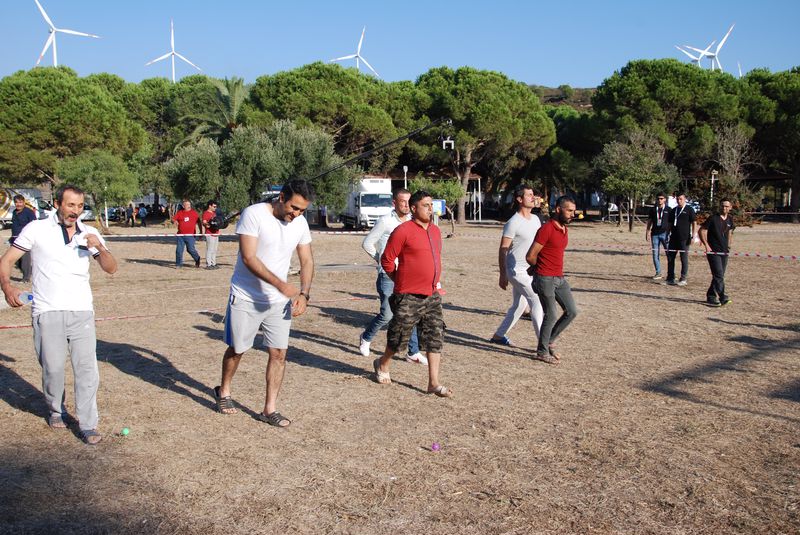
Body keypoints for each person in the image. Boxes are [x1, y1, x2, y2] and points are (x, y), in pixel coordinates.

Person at [0, 185, 117, 445]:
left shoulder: (89, 233)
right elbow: (6, 261)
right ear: (57, 203)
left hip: (81, 311)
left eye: (80, 206)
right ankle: (56, 408)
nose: (75, 211)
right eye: (70, 205)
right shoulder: (37, 229)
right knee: (52, 369)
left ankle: (88, 423)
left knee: (87, 369)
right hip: (47, 310)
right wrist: (8, 287)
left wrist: (100, 247)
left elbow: (111, 268)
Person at [214, 179, 315, 428]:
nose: (297, 214)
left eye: (302, 210)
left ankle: (269, 409)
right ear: (281, 198)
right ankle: (224, 391)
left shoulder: (300, 223)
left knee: (279, 354)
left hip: (278, 303)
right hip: (246, 296)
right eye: (294, 207)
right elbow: (249, 258)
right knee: (238, 349)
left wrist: (304, 294)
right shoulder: (254, 214)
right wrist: (281, 284)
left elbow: (307, 260)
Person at [373, 190, 452, 398]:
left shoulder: (435, 231)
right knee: (399, 337)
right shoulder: (403, 231)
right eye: (426, 205)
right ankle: (383, 363)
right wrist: (399, 280)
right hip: (408, 295)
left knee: (435, 336)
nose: (430, 209)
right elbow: (387, 260)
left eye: (431, 205)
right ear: (414, 208)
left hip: (432, 294)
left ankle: (433, 383)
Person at [359, 188, 426, 365]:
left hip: (408, 275)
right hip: (388, 275)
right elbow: (367, 243)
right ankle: (366, 337)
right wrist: (381, 259)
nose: (406, 205)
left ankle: (413, 352)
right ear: (394, 203)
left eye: (409, 201)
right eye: (402, 201)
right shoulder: (385, 221)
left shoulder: (414, 221)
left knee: (410, 313)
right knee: (387, 315)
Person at [525, 195, 579, 365]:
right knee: (551, 314)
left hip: (559, 278)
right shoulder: (546, 229)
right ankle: (542, 352)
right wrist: (537, 269)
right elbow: (530, 256)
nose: (572, 214)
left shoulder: (564, 229)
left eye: (573, 211)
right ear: (558, 209)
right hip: (545, 278)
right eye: (569, 211)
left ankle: (549, 342)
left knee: (572, 311)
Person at [489, 184, 544, 347]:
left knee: (519, 305)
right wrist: (503, 274)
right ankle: (544, 344)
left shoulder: (536, 219)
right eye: (529, 195)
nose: (533, 197)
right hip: (516, 271)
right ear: (520, 199)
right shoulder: (513, 222)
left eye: (533, 194)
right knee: (536, 300)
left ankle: (498, 336)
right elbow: (503, 249)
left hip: (530, 270)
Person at [698, 199, 735, 307]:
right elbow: (701, 230)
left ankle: (711, 296)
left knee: (719, 275)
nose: (724, 208)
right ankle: (723, 297)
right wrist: (706, 245)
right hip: (713, 251)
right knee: (718, 274)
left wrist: (729, 244)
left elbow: (730, 232)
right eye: (722, 206)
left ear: (730, 208)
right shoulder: (713, 218)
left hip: (724, 252)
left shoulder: (730, 219)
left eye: (727, 206)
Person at [666, 193, 698, 286]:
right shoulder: (674, 210)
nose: (679, 201)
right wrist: (667, 234)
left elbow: (694, 223)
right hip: (673, 238)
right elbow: (670, 224)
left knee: (683, 258)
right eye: (677, 199)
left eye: (681, 199)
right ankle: (670, 278)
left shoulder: (689, 209)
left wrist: (693, 236)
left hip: (684, 238)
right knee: (670, 258)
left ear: (684, 199)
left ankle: (683, 278)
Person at [10, 194, 37, 283]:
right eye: (16, 202)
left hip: (25, 239)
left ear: (24, 202)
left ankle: (26, 278)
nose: (18, 204)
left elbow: (34, 225)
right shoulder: (14, 212)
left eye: (20, 202)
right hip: (15, 239)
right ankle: (28, 272)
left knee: (25, 259)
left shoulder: (29, 212)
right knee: (16, 260)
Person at [645, 192, 671, 280]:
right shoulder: (653, 210)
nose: (659, 200)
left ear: (665, 199)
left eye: (661, 198)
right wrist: (647, 232)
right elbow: (649, 222)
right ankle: (658, 272)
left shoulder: (668, 209)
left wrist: (669, 233)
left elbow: (671, 223)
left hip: (665, 234)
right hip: (655, 234)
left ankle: (671, 273)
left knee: (669, 254)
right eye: (658, 198)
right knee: (655, 254)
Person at [172, 199, 201, 268]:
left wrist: (201, 231)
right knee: (179, 250)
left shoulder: (194, 213)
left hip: (190, 235)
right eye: (187, 205)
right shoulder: (180, 212)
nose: (189, 206)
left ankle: (197, 259)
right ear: (183, 206)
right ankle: (178, 264)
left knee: (190, 249)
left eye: (189, 204)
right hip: (180, 235)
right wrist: (174, 221)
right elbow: (173, 219)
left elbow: (199, 222)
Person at [201, 200, 221, 270]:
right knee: (210, 249)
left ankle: (213, 263)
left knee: (214, 250)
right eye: (214, 206)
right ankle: (208, 264)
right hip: (209, 234)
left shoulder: (214, 213)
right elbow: (204, 223)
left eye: (216, 207)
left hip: (216, 234)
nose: (215, 208)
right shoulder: (206, 213)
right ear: (210, 206)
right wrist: (208, 224)